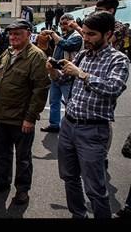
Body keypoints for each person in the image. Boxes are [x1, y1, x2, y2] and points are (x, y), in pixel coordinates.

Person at [48, 11, 129, 218]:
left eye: (91, 34)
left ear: (107, 34)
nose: (85, 39)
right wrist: (53, 71)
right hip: (69, 125)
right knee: (69, 178)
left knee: (95, 189)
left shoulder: (118, 60)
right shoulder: (83, 55)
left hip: (93, 129)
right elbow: (64, 82)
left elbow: (113, 88)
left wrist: (81, 74)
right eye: (84, 33)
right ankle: (78, 215)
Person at [0, 19, 51, 205]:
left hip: (21, 118)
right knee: (0, 151)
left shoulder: (37, 57)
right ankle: (2, 180)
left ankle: (22, 190)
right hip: (2, 115)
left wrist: (30, 118)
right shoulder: (8, 52)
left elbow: (40, 90)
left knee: (23, 158)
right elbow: (0, 82)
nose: (13, 37)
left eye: (17, 34)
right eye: (11, 34)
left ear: (28, 35)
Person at [40, 13, 83, 133]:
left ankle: (72, 127)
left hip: (68, 74)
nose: (63, 26)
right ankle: (54, 124)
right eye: (61, 24)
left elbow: (66, 45)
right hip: (56, 71)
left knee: (70, 102)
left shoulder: (77, 36)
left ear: (72, 22)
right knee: (54, 101)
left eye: (65, 24)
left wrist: (52, 33)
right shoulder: (64, 35)